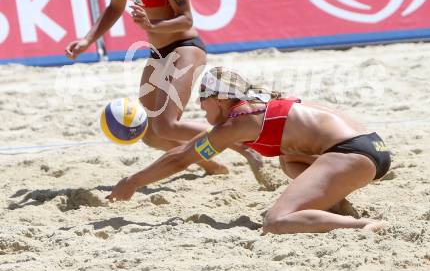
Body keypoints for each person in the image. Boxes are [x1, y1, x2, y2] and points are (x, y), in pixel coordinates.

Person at [65, 0, 262, 177]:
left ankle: (241, 144)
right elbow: (115, 7)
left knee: (168, 125)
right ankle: (213, 167)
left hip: (185, 47)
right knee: (150, 133)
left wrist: (151, 23)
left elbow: (187, 19)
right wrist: (87, 40)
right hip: (158, 52)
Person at [106, 66, 392, 234]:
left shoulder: (239, 121)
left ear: (219, 99)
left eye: (202, 100)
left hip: (353, 154)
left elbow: (183, 157)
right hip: (373, 147)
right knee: (288, 158)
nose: (199, 107)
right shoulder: (260, 106)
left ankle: (363, 226)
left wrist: (133, 181)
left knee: (276, 222)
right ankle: (338, 206)